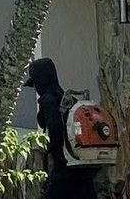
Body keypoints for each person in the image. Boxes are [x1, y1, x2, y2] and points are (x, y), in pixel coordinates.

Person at [24, 58, 100, 199]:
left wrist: (52, 150)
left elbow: (55, 131)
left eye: (35, 84)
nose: (35, 89)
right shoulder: (66, 97)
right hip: (80, 161)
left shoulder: (49, 100)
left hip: (65, 166)